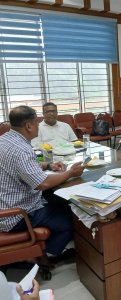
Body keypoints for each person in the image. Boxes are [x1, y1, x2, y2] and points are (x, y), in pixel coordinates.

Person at [0, 105, 86, 258]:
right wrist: (70, 173)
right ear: (28, 125)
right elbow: (43, 183)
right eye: (37, 122)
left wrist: (48, 165)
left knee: (60, 201)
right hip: (18, 215)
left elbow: (20, 166)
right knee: (73, 219)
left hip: (5, 203)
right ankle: (49, 255)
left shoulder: (5, 140)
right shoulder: (22, 150)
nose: (39, 125)